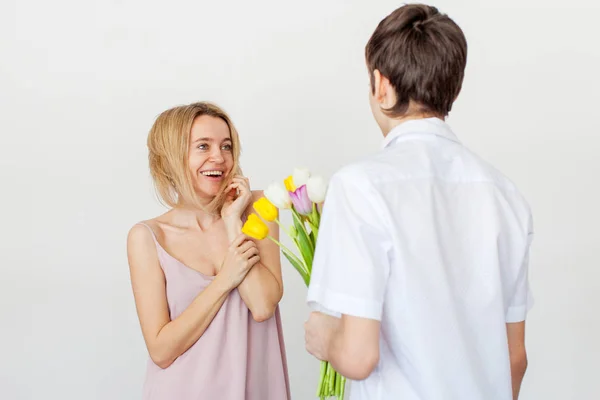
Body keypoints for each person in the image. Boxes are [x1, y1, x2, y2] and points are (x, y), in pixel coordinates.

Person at [304, 4, 533, 400]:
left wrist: (322, 336)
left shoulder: (360, 186)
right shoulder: (505, 193)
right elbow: (515, 358)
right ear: (453, 88)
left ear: (381, 85)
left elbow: (358, 356)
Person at [127, 102, 290, 400]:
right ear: (173, 158)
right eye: (203, 146)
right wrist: (225, 279)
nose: (219, 158)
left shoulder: (257, 209)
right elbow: (161, 350)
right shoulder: (149, 237)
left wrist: (232, 224)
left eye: (226, 146)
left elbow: (263, 305)